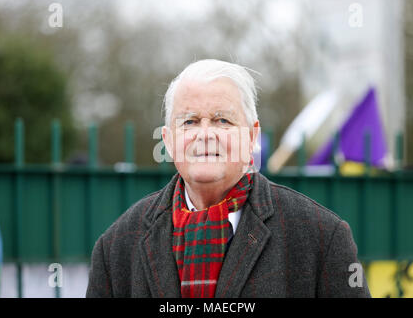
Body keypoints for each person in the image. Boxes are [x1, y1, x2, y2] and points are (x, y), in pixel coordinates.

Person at [86, 59, 371, 298]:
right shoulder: (115, 248)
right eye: (190, 121)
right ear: (168, 141)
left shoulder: (322, 237)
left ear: (251, 137)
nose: (206, 134)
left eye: (223, 120)